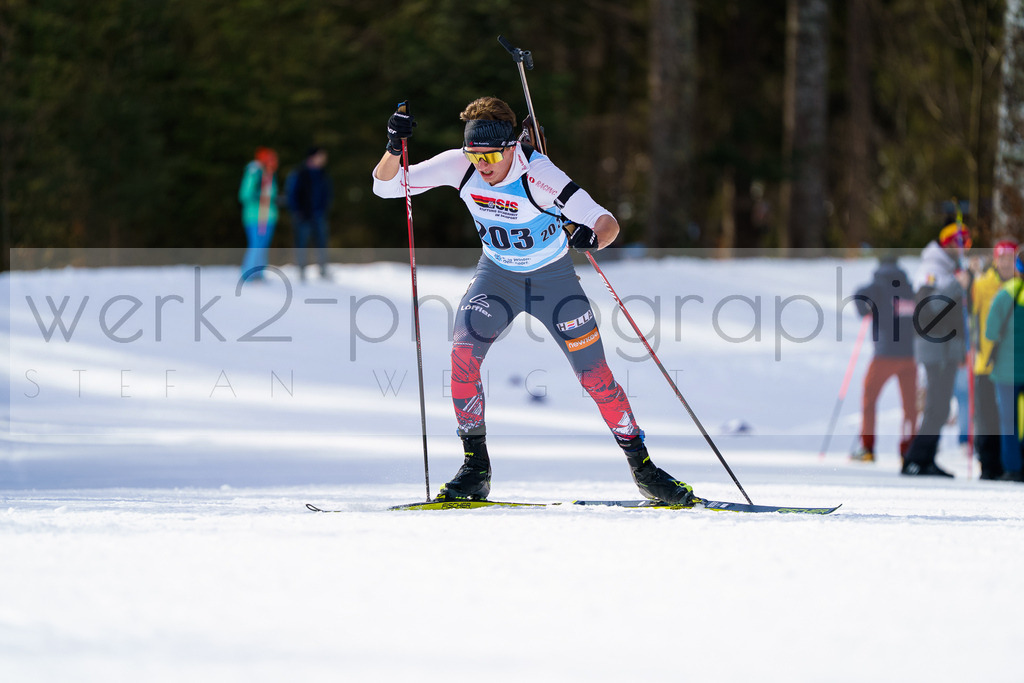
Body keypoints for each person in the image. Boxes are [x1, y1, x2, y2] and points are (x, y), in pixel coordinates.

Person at [371, 97, 698, 505]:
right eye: (475, 154)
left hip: (554, 283)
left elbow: (606, 222)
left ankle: (645, 470)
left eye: (490, 154)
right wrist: (392, 146)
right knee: (462, 355)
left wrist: (591, 237)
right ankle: (475, 469)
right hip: (498, 278)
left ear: (512, 146)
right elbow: (385, 186)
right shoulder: (462, 165)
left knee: (594, 376)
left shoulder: (540, 176)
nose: (483, 165)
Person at [902, 223, 971, 477]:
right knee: (936, 406)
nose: (962, 248)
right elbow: (930, 309)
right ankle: (914, 459)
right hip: (935, 347)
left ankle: (926, 458)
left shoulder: (948, 269)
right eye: (959, 242)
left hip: (948, 348)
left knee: (941, 407)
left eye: (967, 243)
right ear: (947, 243)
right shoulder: (932, 269)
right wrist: (957, 285)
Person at [850, 254, 917, 463]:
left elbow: (859, 298)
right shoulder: (908, 287)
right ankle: (908, 449)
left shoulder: (878, 285)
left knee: (869, 398)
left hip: (884, 354)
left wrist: (867, 306)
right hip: (909, 355)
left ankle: (868, 447)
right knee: (910, 405)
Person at [971, 240, 1018, 479]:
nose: (1006, 263)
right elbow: (970, 313)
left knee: (1010, 418)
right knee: (987, 416)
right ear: (995, 259)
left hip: (1011, 365)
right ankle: (989, 466)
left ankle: (1009, 464)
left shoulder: (1018, 287)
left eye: (1011, 259)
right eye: (1003, 258)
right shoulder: (982, 284)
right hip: (986, 362)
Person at [984, 250, 1024, 482]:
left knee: (1009, 421)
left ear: (1018, 268)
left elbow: (990, 333)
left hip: (1007, 371)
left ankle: (1012, 468)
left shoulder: (1004, 295)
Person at [286, 146, 334, 281]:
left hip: (319, 214)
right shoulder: (299, 173)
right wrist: (297, 211)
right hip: (302, 215)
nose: (324, 159)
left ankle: (323, 270)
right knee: (301, 243)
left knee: (322, 243)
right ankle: (301, 270)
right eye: (321, 156)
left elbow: (327, 193)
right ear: (313, 157)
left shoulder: (323, 173)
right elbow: (292, 193)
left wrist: (324, 208)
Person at [238, 147, 279, 281]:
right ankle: (248, 273)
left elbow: (271, 194)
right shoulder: (254, 172)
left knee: (263, 245)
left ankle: (258, 273)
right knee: (256, 245)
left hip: (269, 217)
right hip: (255, 217)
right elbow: (244, 194)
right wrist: (259, 196)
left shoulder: (269, 175)